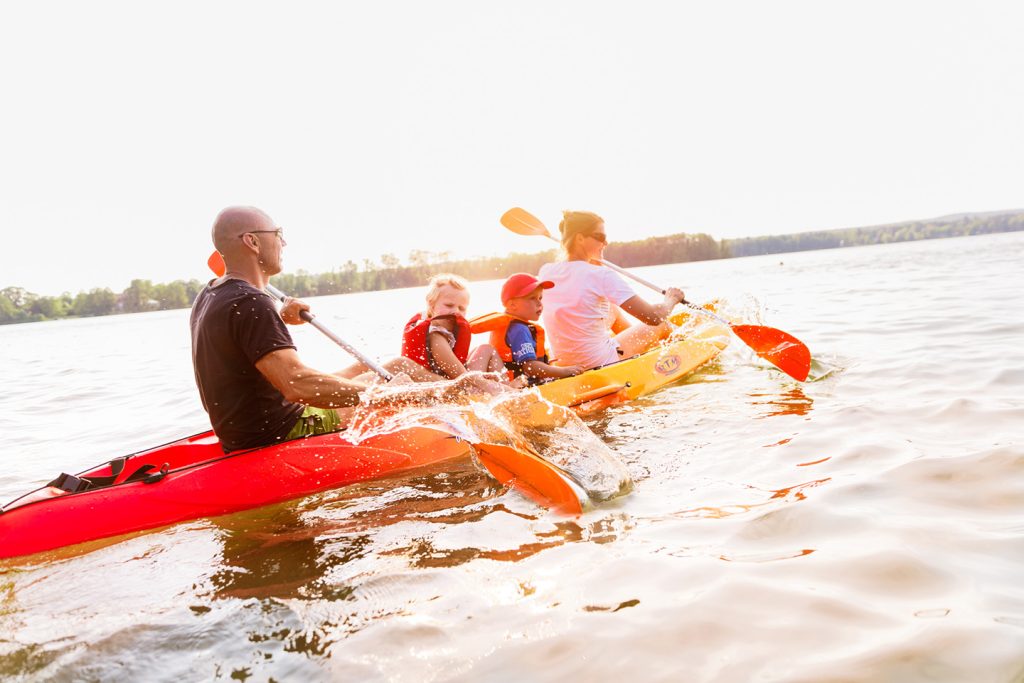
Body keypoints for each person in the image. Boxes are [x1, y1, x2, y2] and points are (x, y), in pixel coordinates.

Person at [190, 206, 478, 453]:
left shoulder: (213, 294)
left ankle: (455, 393)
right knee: (394, 385)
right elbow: (296, 385)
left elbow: (242, 339)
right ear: (252, 242)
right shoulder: (252, 302)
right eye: (277, 234)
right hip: (282, 428)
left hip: (247, 425)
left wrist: (279, 314)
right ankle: (462, 403)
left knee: (396, 365)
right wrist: (388, 396)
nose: (283, 242)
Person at [538, 210, 686, 370]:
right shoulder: (601, 275)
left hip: (563, 365)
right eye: (600, 237)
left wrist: (591, 262)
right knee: (662, 325)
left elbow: (576, 298)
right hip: (598, 363)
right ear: (580, 238)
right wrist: (671, 299)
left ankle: (641, 351)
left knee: (612, 309)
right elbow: (653, 317)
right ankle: (682, 355)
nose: (606, 242)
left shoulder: (546, 271)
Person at [470, 273, 584, 384]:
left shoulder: (512, 326)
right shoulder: (519, 330)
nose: (539, 303)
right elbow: (530, 368)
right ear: (512, 305)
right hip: (516, 388)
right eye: (532, 298)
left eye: (540, 298)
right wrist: (565, 371)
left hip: (504, 383)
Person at [401, 273, 507, 379]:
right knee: (479, 370)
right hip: (445, 388)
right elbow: (462, 378)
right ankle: (509, 391)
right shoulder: (435, 336)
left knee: (486, 349)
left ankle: (506, 385)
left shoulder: (442, 331)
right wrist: (482, 378)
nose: (456, 311)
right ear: (431, 305)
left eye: (461, 308)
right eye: (449, 305)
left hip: (455, 381)